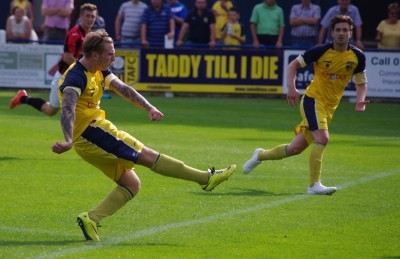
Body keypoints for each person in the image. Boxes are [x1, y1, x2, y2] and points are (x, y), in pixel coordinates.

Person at [50, 29, 236, 241]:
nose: (114, 57)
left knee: (132, 184)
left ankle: (91, 218)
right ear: (94, 55)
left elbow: (123, 88)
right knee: (146, 155)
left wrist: (149, 107)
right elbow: (67, 109)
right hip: (92, 133)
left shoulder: (99, 70)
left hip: (91, 137)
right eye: (110, 54)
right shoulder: (75, 77)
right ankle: (205, 179)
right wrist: (67, 139)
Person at [243, 15, 369, 195]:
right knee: (323, 139)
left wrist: (360, 100)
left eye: (345, 30)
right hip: (312, 100)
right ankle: (313, 185)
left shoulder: (357, 56)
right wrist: (292, 88)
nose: (341, 33)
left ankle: (260, 155)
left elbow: (361, 82)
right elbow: (293, 65)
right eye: (338, 30)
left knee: (295, 149)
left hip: (329, 107)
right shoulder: (320, 50)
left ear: (350, 33)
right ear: (332, 32)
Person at [9, 3, 98, 116]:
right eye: (87, 16)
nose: (90, 19)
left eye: (93, 16)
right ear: (80, 17)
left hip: (76, 77)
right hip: (64, 77)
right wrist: (86, 70)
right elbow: (67, 58)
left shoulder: (90, 35)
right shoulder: (74, 33)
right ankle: (23, 98)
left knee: (78, 109)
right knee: (51, 110)